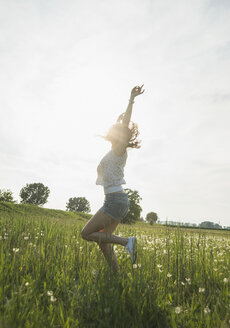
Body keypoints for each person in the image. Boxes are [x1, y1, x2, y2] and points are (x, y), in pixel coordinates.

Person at [81, 84, 145, 274]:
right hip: (114, 200)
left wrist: (131, 99)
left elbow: (125, 124)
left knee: (86, 234)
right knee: (103, 240)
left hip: (116, 200)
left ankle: (128, 242)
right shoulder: (112, 151)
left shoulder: (119, 150)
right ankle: (116, 276)